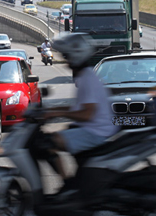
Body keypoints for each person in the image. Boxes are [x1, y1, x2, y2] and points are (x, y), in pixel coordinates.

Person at [39, 32, 118, 185]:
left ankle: (67, 185)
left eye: (66, 56)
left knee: (48, 143)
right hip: (95, 128)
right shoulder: (85, 76)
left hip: (96, 131)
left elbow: (86, 114)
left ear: (76, 56)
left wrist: (55, 113)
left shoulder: (87, 79)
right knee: (67, 130)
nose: (65, 60)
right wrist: (50, 111)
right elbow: (79, 107)